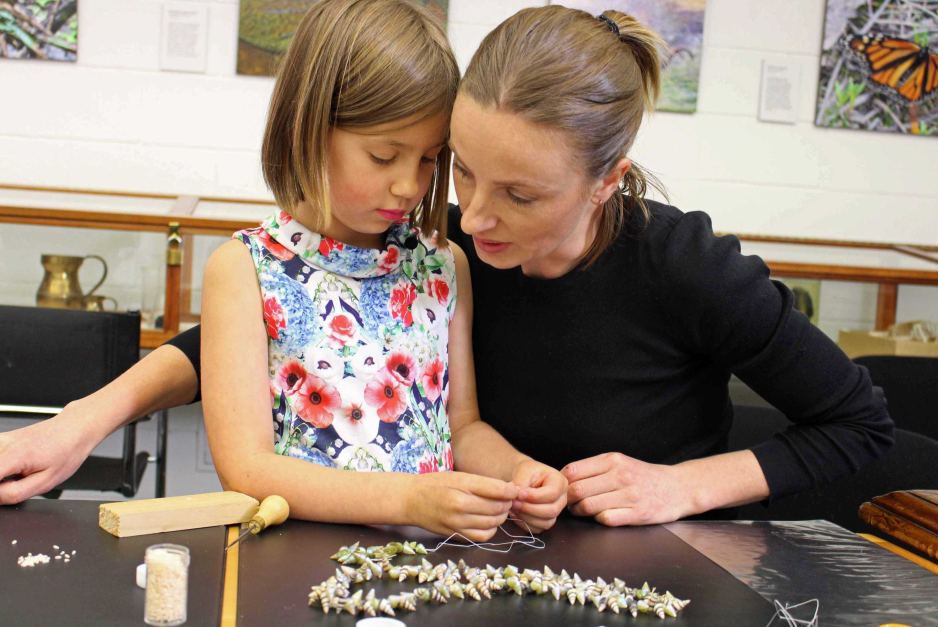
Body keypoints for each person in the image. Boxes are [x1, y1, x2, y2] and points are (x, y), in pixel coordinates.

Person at [0, 6, 892, 527]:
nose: (472, 211)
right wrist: (86, 415)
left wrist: (675, 486)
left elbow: (858, 424)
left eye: (522, 194)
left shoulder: (684, 267)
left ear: (604, 182)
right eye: (461, 166)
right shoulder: (448, 241)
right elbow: (270, 331)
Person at [0, 0, 569, 541]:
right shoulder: (243, 271)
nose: (409, 184)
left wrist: (518, 472)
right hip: (296, 564)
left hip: (428, 567)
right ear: (309, 128)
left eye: (428, 158)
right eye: (382, 156)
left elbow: (462, 426)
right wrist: (410, 499)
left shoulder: (446, 265)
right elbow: (247, 470)